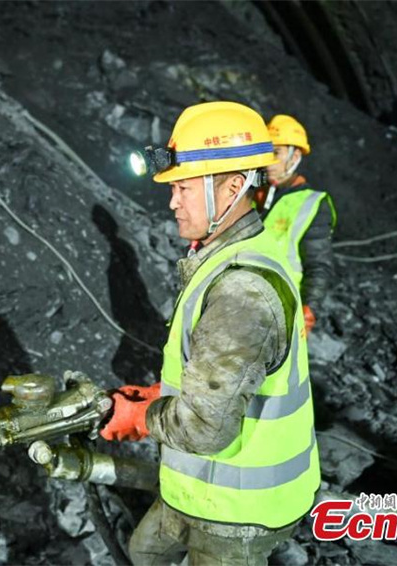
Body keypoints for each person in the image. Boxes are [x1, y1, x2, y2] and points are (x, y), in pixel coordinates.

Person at [98, 102, 320, 565]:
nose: (172, 201)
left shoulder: (242, 291)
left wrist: (141, 419)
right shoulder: (231, 252)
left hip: (239, 512)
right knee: (142, 555)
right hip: (197, 487)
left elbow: (204, 427)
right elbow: (225, 375)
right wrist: (165, 393)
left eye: (182, 187)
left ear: (234, 187)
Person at [255, 114, 336, 336]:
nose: (268, 161)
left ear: (295, 156)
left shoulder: (313, 204)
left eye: (275, 153)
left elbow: (318, 267)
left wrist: (308, 312)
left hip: (281, 310)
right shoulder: (256, 194)